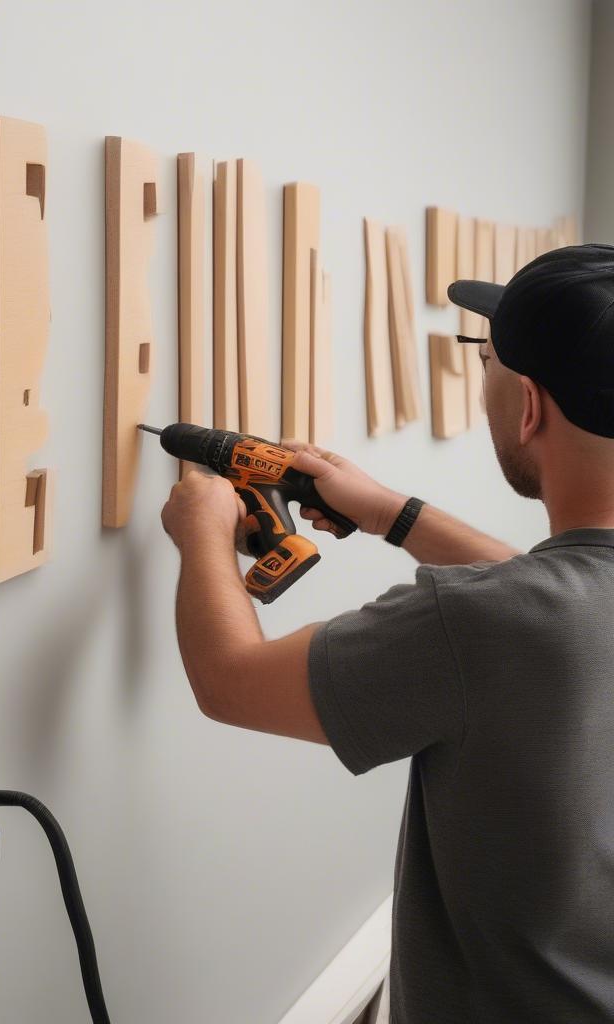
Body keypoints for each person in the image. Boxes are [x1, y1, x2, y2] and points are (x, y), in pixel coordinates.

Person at [161, 244, 614, 1023]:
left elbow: (230, 682)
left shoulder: (488, 624)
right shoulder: (547, 615)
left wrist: (202, 530)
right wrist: (389, 511)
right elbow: (556, 593)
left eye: (486, 365)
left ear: (529, 407)